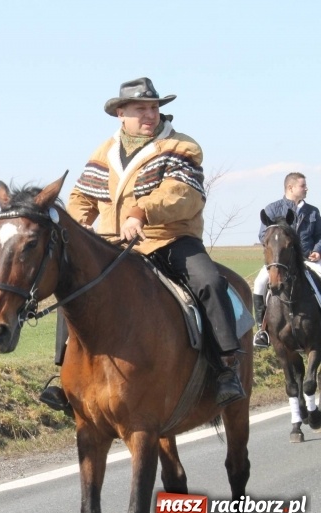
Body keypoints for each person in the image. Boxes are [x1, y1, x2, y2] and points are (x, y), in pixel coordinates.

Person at [41, 77, 246, 413]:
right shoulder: (105, 152)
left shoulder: (182, 147)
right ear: (120, 113)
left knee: (209, 281)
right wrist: (78, 224)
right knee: (73, 285)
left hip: (168, 239)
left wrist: (141, 212)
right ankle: (66, 377)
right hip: (113, 247)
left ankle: (226, 367)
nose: (150, 114)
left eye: (154, 107)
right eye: (141, 108)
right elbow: (81, 195)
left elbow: (183, 194)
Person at [253, 172, 321, 347]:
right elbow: (263, 235)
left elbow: (319, 236)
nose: (306, 188)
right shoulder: (272, 209)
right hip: (280, 261)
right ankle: (262, 330)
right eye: (303, 185)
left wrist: (317, 250)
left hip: (308, 260)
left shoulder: (313, 211)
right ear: (290, 187)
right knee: (260, 283)